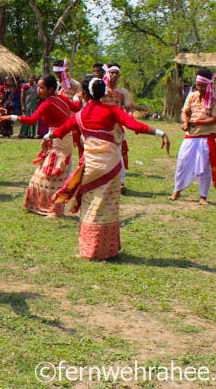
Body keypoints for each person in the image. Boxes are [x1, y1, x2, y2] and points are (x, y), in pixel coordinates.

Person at [51, 76, 170, 260]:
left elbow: (59, 132)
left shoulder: (79, 116)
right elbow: (134, 125)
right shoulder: (112, 110)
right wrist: (160, 132)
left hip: (91, 168)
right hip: (111, 166)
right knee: (108, 207)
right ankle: (107, 249)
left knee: (91, 206)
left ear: (83, 94)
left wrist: (46, 138)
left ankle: (90, 249)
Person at [0, 74, 80, 217]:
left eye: (42, 87)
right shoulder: (60, 98)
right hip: (63, 138)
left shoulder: (48, 103)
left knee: (51, 176)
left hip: (59, 140)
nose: (38, 90)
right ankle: (50, 207)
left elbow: (31, 120)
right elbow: (75, 107)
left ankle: (55, 210)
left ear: (50, 89)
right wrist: (78, 97)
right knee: (51, 175)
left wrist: (11, 117)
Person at [169, 68, 216, 205]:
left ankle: (203, 196)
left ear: (209, 85)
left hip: (205, 137)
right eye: (198, 85)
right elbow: (185, 112)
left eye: (203, 85)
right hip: (190, 137)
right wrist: (186, 122)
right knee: (181, 163)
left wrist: (197, 121)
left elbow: (215, 119)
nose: (200, 88)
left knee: (204, 168)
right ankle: (177, 190)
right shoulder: (192, 95)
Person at [100, 63, 133, 194]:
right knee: (101, 154)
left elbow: (128, 109)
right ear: (107, 74)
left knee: (117, 154)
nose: (113, 75)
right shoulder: (101, 89)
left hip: (116, 128)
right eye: (111, 72)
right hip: (101, 126)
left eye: (116, 73)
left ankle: (121, 182)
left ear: (119, 75)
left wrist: (129, 120)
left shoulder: (123, 92)